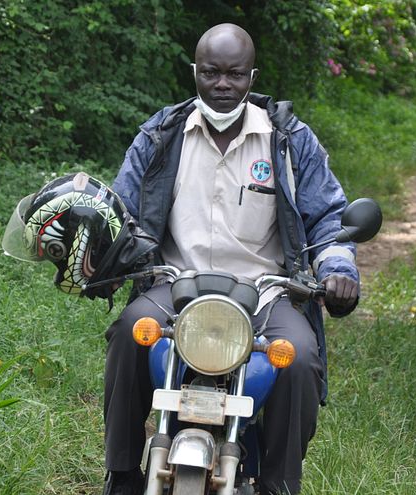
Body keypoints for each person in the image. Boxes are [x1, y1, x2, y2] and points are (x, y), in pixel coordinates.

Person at [102, 23, 359, 495]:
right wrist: (104, 257)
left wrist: (337, 269)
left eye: (235, 75)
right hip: (174, 284)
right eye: (211, 73)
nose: (223, 86)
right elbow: (123, 213)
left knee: (299, 359)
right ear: (194, 73)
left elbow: (327, 216)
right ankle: (120, 474)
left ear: (252, 75)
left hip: (266, 293)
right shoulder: (161, 135)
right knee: (126, 333)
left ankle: (280, 482)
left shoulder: (288, 140)